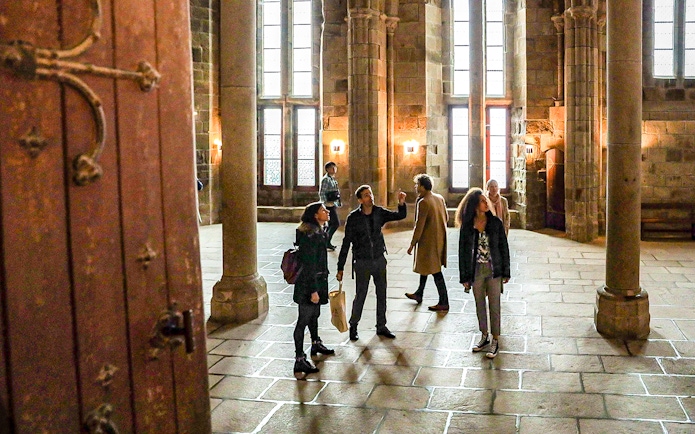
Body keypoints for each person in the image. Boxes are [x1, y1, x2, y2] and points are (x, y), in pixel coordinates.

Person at [337, 185, 407, 341]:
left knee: (381, 293)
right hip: (362, 262)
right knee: (361, 295)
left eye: (371, 194)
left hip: (379, 259)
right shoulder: (353, 218)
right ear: (360, 200)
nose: (370, 197)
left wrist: (401, 202)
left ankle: (381, 325)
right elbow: (346, 243)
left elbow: (399, 216)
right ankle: (353, 326)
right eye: (366, 195)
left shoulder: (379, 212)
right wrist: (340, 267)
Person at [456, 188, 510, 359]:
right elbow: (463, 252)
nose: (486, 203)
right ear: (474, 205)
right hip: (476, 270)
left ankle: (495, 339)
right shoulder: (467, 226)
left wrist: (506, 271)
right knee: (479, 303)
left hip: (494, 269)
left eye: (486, 201)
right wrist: (464, 276)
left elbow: (504, 248)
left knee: (494, 304)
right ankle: (484, 335)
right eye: (482, 201)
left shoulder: (495, 223)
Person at [292, 202, 335, 378]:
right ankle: (299, 359)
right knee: (303, 320)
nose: (327, 212)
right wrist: (313, 291)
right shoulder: (311, 236)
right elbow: (309, 265)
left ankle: (316, 342)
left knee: (314, 315)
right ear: (316, 215)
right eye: (323, 210)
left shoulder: (317, 232)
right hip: (309, 284)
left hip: (317, 280)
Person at [404, 174, 450, 312]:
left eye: (417, 184)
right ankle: (419, 293)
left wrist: (412, 244)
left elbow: (419, 225)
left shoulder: (424, 202)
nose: (416, 187)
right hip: (439, 239)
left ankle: (444, 301)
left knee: (435, 271)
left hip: (428, 241)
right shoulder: (439, 198)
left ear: (423, 186)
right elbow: (446, 217)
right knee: (426, 266)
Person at [319, 162, 341, 251]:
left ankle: (326, 241)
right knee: (335, 223)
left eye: (335, 168)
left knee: (330, 224)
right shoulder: (326, 179)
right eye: (332, 168)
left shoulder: (332, 179)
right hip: (328, 205)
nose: (334, 169)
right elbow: (322, 192)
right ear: (327, 169)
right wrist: (324, 205)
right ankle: (326, 241)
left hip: (332, 204)